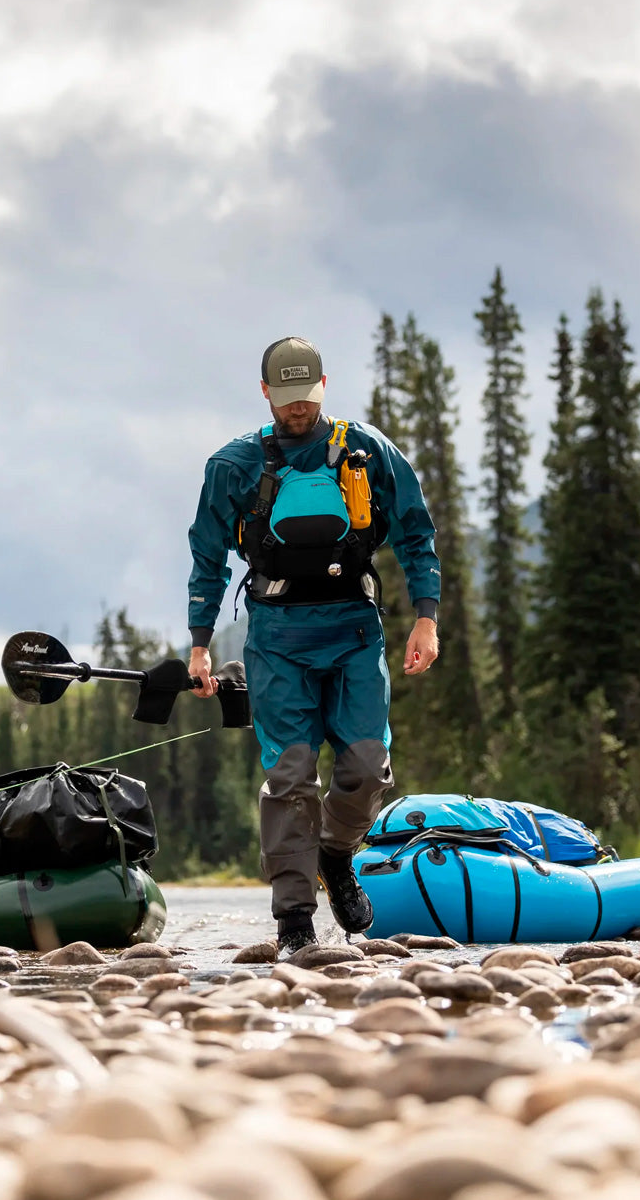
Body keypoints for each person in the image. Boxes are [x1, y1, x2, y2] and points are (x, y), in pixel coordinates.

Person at [187, 336, 440, 958]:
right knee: (290, 778)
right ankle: (295, 922)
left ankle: (335, 852)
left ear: (323, 386)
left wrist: (426, 618)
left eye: (307, 395)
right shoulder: (234, 465)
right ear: (265, 392)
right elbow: (207, 556)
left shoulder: (367, 450)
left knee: (367, 769)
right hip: (277, 639)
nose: (298, 407)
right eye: (286, 397)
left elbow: (416, 531)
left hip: (354, 630)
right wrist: (199, 644)